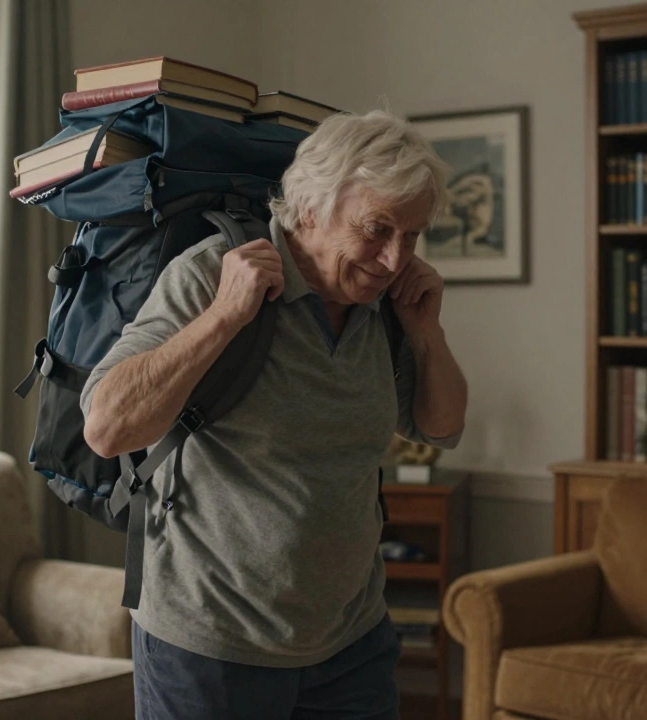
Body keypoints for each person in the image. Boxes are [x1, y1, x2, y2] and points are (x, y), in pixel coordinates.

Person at [80, 109, 468, 720]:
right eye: (377, 229)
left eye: (413, 236)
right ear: (310, 207)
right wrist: (223, 317)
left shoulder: (385, 303)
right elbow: (106, 428)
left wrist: (426, 333)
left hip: (351, 639)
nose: (396, 259)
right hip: (212, 644)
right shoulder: (213, 273)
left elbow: (441, 428)